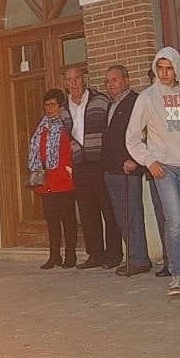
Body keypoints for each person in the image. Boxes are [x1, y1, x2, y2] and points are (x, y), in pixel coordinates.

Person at [125, 47, 180, 296]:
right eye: (160, 68)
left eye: (169, 68)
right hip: (163, 168)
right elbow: (132, 138)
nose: (164, 73)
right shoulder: (147, 97)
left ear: (176, 68)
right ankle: (176, 275)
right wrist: (148, 161)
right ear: (155, 68)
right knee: (174, 220)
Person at [63, 65, 120, 270]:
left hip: (101, 162)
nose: (74, 83)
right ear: (65, 83)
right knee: (87, 211)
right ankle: (95, 254)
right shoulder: (63, 108)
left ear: (84, 79)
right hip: (79, 164)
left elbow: (111, 129)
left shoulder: (100, 100)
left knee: (108, 208)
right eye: (69, 80)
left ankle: (113, 255)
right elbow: (66, 135)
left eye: (77, 78)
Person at [102, 65, 151, 276]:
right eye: (107, 81)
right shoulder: (112, 104)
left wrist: (136, 161)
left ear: (126, 80)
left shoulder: (136, 102)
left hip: (127, 170)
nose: (110, 85)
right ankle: (134, 257)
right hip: (112, 170)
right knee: (122, 217)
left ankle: (139, 259)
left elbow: (148, 132)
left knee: (131, 215)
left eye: (114, 80)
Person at [28, 90, 79, 269]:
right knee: (51, 220)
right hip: (47, 180)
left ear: (60, 106)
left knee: (68, 218)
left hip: (64, 178)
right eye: (46, 105)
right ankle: (54, 255)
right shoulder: (42, 127)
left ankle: (71, 254)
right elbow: (36, 150)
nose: (49, 109)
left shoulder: (67, 125)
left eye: (53, 105)